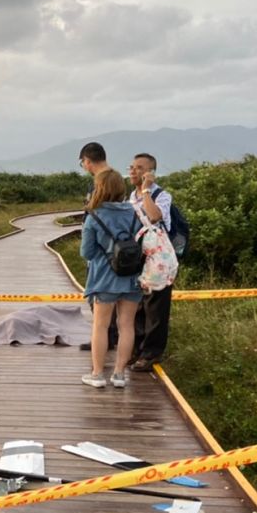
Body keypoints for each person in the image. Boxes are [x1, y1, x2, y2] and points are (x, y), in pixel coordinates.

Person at [79, 164, 142, 389]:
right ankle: (119, 374)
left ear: (99, 188)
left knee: (101, 325)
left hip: (104, 278)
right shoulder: (135, 212)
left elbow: (86, 252)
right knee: (127, 325)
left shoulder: (94, 216)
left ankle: (97, 374)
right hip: (132, 277)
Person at [127, 152, 175, 371]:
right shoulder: (130, 196)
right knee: (137, 306)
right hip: (138, 257)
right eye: (131, 167)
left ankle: (151, 353)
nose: (133, 171)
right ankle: (137, 349)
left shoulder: (161, 196)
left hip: (158, 260)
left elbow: (155, 216)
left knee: (156, 307)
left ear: (150, 173)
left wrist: (146, 190)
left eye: (139, 168)